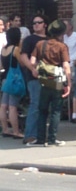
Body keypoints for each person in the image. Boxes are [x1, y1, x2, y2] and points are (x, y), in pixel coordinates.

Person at [29, 20, 71, 146]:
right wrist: (69, 83)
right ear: (62, 33)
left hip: (43, 80)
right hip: (57, 80)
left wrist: (36, 70)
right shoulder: (62, 46)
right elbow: (65, 66)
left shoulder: (40, 44)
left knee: (42, 110)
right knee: (56, 111)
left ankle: (40, 138)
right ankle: (52, 139)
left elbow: (32, 61)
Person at [18, 15, 46, 143]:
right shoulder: (29, 39)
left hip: (49, 76)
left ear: (45, 24)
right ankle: (30, 134)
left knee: (45, 106)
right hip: (34, 77)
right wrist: (32, 69)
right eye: (34, 23)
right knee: (35, 104)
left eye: (39, 22)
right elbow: (23, 56)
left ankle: (42, 134)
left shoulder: (50, 39)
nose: (36, 25)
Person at [0, 28, 22, 138]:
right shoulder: (16, 49)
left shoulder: (3, 49)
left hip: (5, 78)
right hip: (14, 79)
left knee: (3, 105)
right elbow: (21, 63)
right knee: (12, 106)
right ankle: (16, 131)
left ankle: (5, 129)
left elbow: (1, 65)